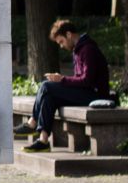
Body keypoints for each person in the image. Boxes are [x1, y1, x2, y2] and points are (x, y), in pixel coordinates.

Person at [15, 20, 111, 152]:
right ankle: (43, 140)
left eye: (61, 41)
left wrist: (62, 79)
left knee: (46, 86)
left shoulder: (88, 49)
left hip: (95, 95)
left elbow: (87, 80)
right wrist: (61, 80)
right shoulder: (78, 50)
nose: (61, 46)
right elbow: (80, 79)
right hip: (85, 92)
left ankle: (32, 123)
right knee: (49, 98)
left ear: (69, 34)